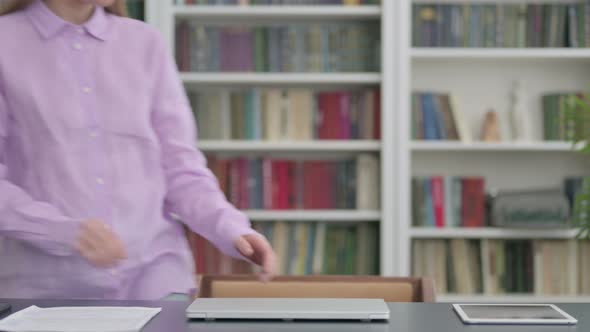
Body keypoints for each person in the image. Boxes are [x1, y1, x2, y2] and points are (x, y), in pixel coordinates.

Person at [0, 0, 277, 300]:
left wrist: (231, 229)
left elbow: (181, 167)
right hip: (45, 292)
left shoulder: (145, 43)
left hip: (155, 278)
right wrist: (61, 232)